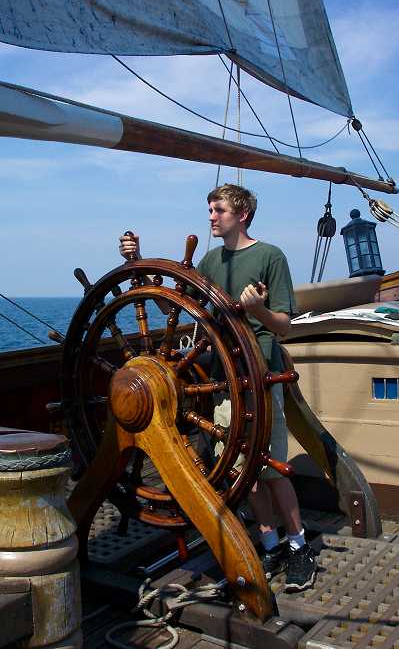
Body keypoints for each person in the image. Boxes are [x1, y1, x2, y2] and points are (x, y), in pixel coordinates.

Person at [118, 183, 316, 592]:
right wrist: (137, 260)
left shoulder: (269, 256)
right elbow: (173, 306)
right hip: (226, 378)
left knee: (272, 469)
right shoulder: (209, 259)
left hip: (260, 374)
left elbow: (285, 325)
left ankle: (299, 547)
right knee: (245, 470)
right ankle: (268, 540)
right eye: (209, 209)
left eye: (218, 209)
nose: (211, 215)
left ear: (242, 214)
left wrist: (259, 309)